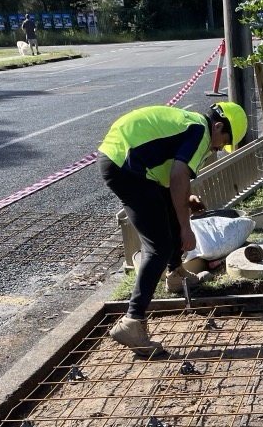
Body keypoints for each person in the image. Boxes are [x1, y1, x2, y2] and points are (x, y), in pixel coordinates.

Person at [97, 101, 248, 355]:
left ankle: (176, 274)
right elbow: (178, 178)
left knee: (169, 210)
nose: (219, 147)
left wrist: (187, 200)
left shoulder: (192, 126)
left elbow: (173, 178)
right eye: (223, 141)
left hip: (130, 163)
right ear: (219, 126)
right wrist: (186, 228)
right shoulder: (201, 132)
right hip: (127, 166)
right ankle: (132, 322)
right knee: (159, 246)